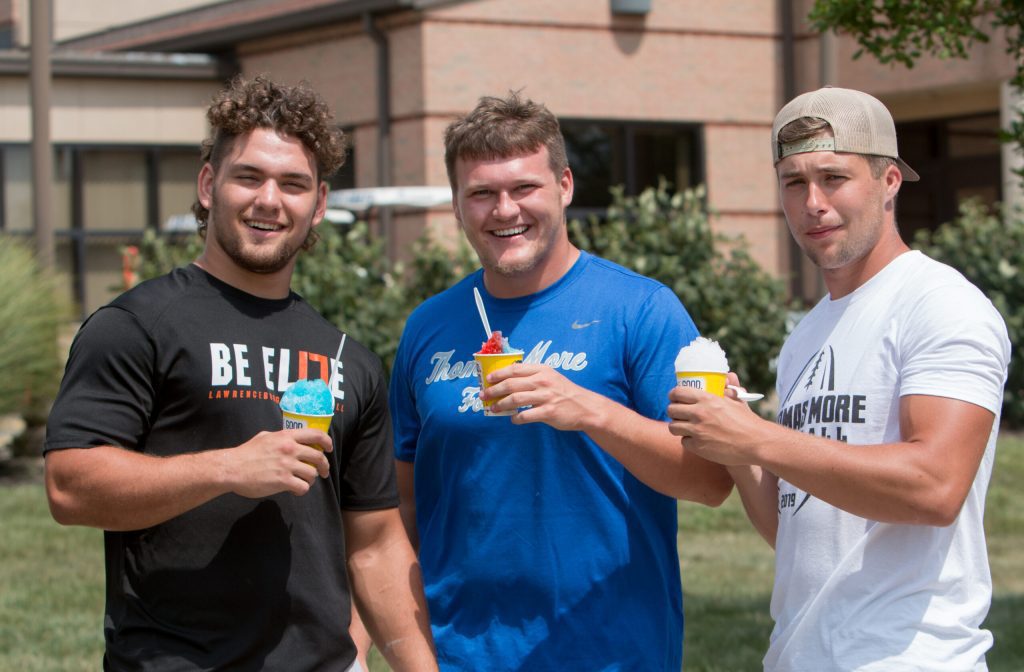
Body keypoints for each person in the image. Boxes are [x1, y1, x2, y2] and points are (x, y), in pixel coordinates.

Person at [43, 75, 437, 672]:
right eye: (249, 176)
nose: (269, 200)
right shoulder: (138, 325)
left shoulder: (346, 358)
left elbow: (376, 543)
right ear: (209, 185)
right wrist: (228, 467)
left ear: (320, 204)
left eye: (294, 184)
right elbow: (70, 486)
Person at [667, 86, 1011, 670]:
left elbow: (935, 486)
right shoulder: (806, 334)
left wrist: (757, 439)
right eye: (793, 182)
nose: (813, 203)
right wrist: (733, 439)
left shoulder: (940, 304)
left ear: (889, 183)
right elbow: (797, 531)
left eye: (834, 177)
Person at [388, 91, 733, 671]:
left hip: (613, 653)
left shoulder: (641, 310)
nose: (505, 210)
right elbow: (402, 507)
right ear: (457, 204)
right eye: (481, 194)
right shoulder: (429, 326)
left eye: (524, 188)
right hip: (463, 655)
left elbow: (708, 480)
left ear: (565, 186)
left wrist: (590, 410)